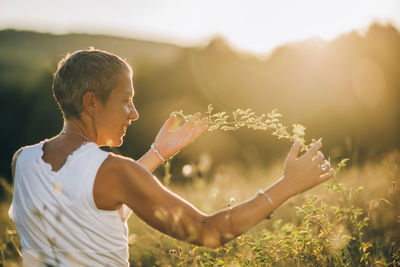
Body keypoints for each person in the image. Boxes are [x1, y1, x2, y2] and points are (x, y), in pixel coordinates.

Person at [9, 48, 334, 266]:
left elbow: (88, 200)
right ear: (92, 103)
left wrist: (157, 153)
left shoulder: (23, 161)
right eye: (126, 101)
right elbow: (208, 231)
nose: (134, 113)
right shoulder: (115, 173)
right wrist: (288, 185)